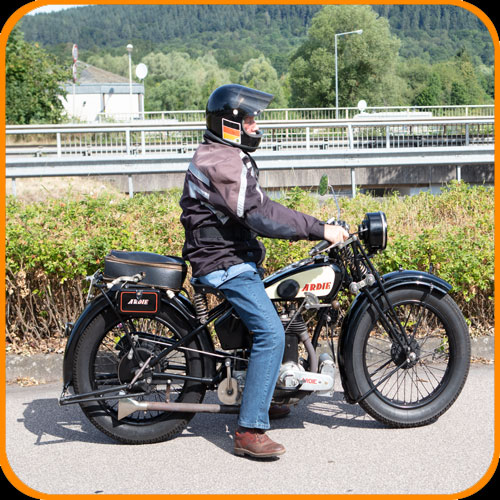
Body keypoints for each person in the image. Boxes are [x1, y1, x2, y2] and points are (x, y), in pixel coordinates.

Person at [179, 84, 348, 458]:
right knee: (271, 333)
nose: (256, 126)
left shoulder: (224, 154)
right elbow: (261, 213)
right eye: (250, 120)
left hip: (231, 256)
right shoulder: (222, 161)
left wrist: (311, 227)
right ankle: (249, 430)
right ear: (229, 125)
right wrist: (319, 229)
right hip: (223, 262)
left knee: (275, 315)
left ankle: (265, 393)